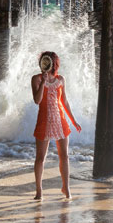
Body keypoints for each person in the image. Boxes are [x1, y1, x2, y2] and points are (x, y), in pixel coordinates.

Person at [31, 51, 81, 200]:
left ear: (54, 63)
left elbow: (64, 102)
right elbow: (37, 100)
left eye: (47, 61)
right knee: (40, 158)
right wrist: (43, 82)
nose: (44, 64)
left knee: (64, 156)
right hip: (44, 120)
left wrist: (73, 120)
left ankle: (66, 188)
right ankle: (39, 191)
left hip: (60, 120)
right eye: (43, 61)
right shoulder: (36, 79)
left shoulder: (61, 79)